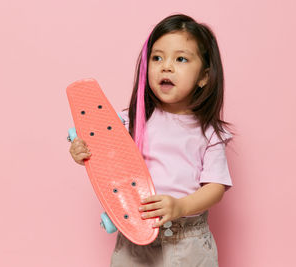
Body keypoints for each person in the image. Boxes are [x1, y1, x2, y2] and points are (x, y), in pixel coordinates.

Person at [68, 13, 234, 267]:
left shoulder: (209, 133)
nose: (166, 66)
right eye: (157, 58)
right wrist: (83, 151)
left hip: (186, 241)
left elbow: (215, 188)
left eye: (180, 59)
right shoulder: (131, 120)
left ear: (204, 77)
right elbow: (104, 154)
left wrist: (180, 206)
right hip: (135, 235)